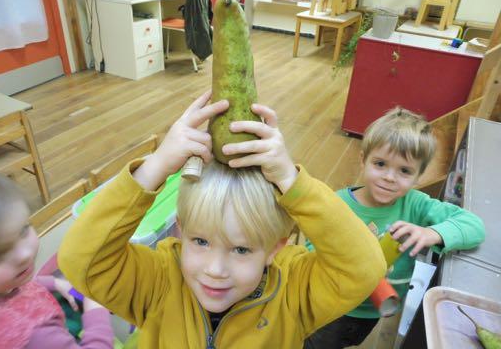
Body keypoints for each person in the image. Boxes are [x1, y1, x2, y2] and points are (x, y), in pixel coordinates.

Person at [58, 91, 386, 348]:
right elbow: (81, 260)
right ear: (180, 231)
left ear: (275, 248)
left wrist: (291, 181)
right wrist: (155, 166)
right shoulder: (157, 282)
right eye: (200, 242)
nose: (215, 270)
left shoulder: (295, 291)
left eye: (241, 250)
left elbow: (365, 267)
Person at [304, 107, 485, 349]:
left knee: (351, 340)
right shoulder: (337, 204)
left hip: (373, 311)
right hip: (333, 306)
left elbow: (474, 226)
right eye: (380, 164)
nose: (389, 177)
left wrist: (431, 233)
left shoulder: (417, 204)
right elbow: (309, 250)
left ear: (419, 176)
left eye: (404, 171)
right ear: (363, 161)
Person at [0, 172, 115, 349]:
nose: (25, 254)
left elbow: (18, 287)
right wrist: (96, 312)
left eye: (24, 230)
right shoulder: (37, 336)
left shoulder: (4, 284)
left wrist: (53, 282)